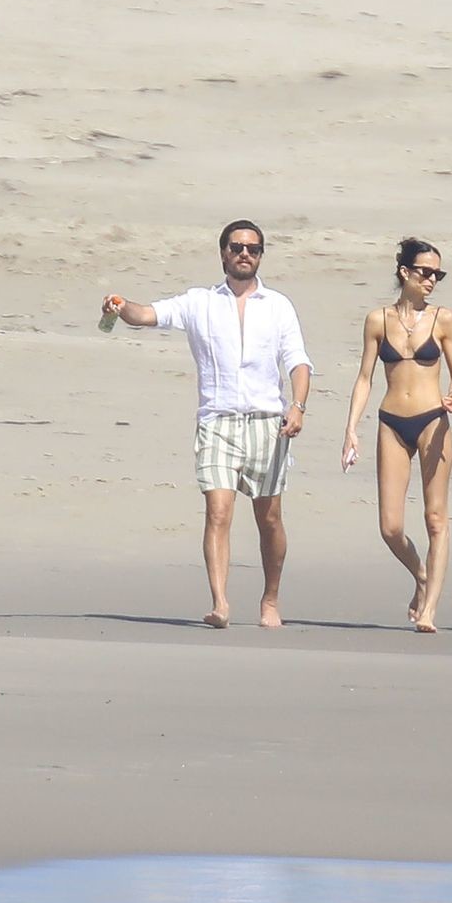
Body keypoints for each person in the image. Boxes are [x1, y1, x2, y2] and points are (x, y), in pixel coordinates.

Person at [103, 220, 312, 629]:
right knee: (218, 511)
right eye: (236, 247)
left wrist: (298, 406)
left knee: (269, 518)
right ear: (223, 253)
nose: (244, 254)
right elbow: (146, 315)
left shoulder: (278, 305)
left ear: (261, 255)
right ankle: (220, 603)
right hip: (217, 421)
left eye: (253, 248)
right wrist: (121, 305)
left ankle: (270, 598)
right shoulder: (199, 302)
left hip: (268, 423)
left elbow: (298, 362)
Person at [341, 239, 452, 633]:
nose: (431, 280)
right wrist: (351, 429)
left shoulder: (443, 319)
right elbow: (365, 378)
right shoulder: (377, 320)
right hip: (392, 421)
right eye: (425, 272)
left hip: (432, 419)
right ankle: (422, 575)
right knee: (390, 527)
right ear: (405, 272)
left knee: (435, 518)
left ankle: (429, 610)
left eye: (437, 274)